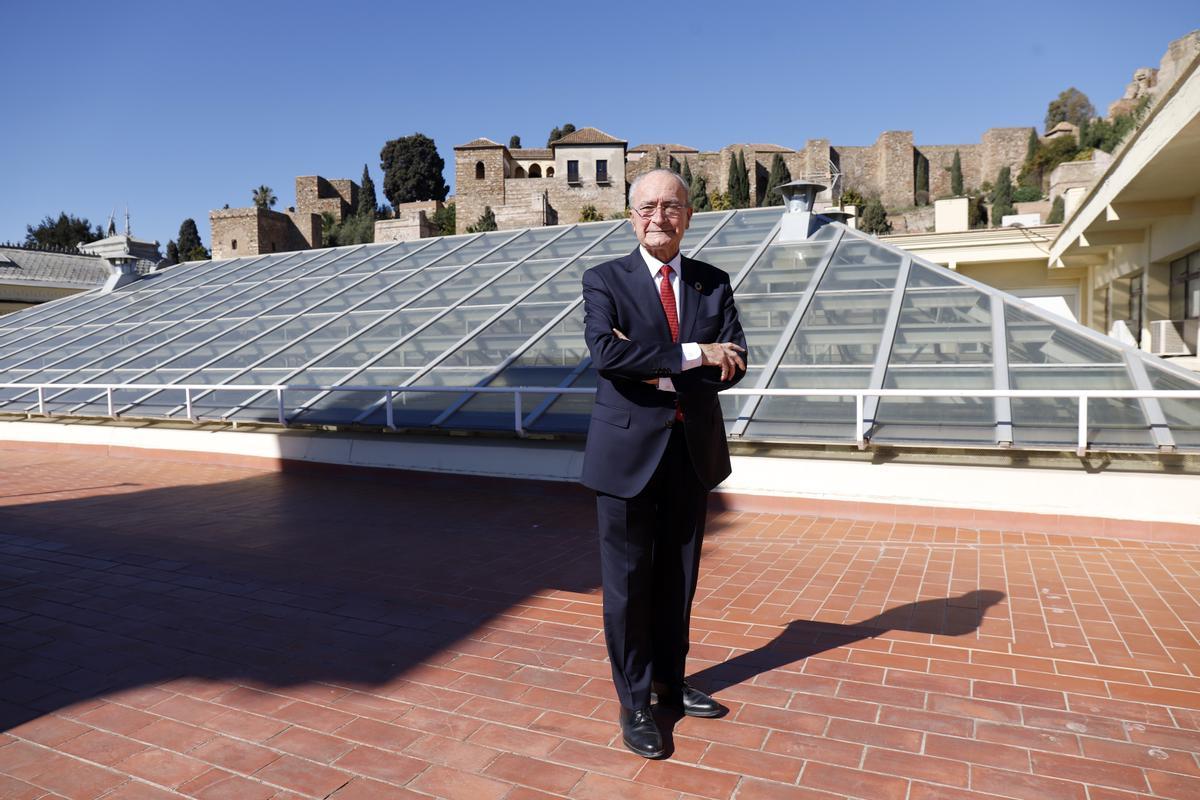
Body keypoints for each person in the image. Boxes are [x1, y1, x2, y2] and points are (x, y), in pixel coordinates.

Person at [580, 169, 747, 758]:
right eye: (648, 207)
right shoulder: (605, 280)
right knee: (628, 586)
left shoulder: (712, 283)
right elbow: (607, 354)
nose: (660, 217)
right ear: (632, 216)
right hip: (626, 456)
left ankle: (670, 683)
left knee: (678, 579)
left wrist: (652, 365)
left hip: (691, 452)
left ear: (688, 216)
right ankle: (635, 702)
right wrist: (696, 353)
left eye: (671, 206)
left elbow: (738, 361)